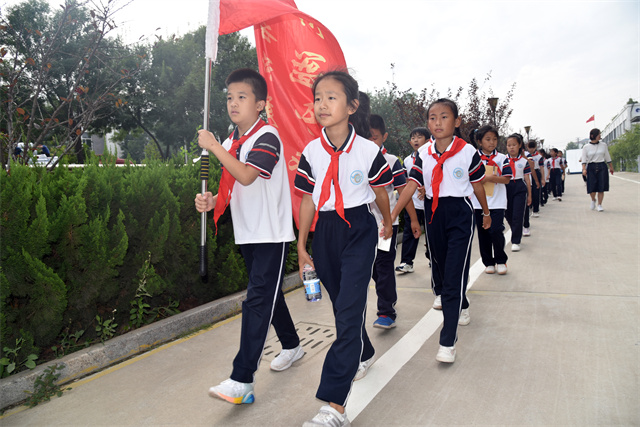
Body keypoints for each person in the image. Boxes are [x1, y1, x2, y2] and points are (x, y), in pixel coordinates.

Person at [195, 68, 302, 405]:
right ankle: (292, 345)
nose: (233, 103)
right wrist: (210, 201)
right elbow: (230, 187)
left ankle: (242, 379)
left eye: (242, 97)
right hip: (248, 233)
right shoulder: (232, 141)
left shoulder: (266, 136)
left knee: (257, 299)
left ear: (260, 104)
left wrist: (213, 146)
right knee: (270, 294)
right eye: (229, 97)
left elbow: (245, 176)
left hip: (271, 233)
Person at [295, 70, 396, 427]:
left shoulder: (369, 150)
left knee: (349, 311)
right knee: (341, 304)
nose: (322, 104)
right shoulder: (310, 151)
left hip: (359, 229)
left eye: (331, 97)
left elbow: (381, 192)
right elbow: (307, 198)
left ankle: (334, 406)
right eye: (318, 97)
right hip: (324, 229)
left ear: (352, 106)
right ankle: (364, 351)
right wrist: (302, 243)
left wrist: (386, 222)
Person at [391, 98, 490, 364]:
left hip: (459, 213)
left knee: (456, 271)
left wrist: (486, 212)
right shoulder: (423, 154)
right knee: (442, 269)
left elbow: (478, 185)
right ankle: (462, 304)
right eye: (432, 118)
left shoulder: (468, 152)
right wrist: (391, 215)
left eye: (444, 117)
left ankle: (448, 340)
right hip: (433, 212)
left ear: (456, 122)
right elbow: (411, 185)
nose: (437, 122)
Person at [368, 114, 418, 329]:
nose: (371, 142)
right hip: (363, 225)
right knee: (373, 269)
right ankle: (388, 294)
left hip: (386, 223)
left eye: (375, 138)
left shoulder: (392, 162)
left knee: (384, 265)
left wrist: (414, 220)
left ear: (384, 137)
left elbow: (403, 191)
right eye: (366, 137)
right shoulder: (356, 160)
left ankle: (386, 312)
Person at [469, 126, 510, 275]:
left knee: (496, 230)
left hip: (497, 202)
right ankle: (488, 262)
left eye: (494, 139)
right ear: (479, 142)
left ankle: (500, 260)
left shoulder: (502, 158)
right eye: (488, 139)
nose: (492, 142)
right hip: (478, 202)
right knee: (483, 233)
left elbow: (507, 179)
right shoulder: (473, 158)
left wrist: (491, 178)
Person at [396, 127, 431, 274]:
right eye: (413, 138)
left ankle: (432, 258)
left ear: (428, 140)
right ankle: (406, 262)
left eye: (419, 137)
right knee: (410, 233)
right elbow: (404, 181)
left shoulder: (431, 156)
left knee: (432, 234)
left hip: (430, 203)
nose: (416, 140)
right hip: (414, 204)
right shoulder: (408, 160)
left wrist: (425, 188)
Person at [504, 133, 532, 252]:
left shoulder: (524, 161)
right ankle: (516, 228)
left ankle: (516, 241)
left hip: (519, 187)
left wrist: (530, 195)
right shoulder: (503, 159)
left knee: (518, 215)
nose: (511, 147)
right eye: (509, 145)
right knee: (508, 213)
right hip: (505, 186)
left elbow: (527, 179)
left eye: (514, 145)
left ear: (519, 145)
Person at [581, 128, 614, 211]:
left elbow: (607, 156)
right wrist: (584, 169)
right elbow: (584, 159)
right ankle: (593, 200)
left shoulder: (603, 145)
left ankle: (599, 204)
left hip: (602, 166)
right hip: (591, 167)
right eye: (599, 134)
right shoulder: (586, 147)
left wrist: (611, 166)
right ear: (593, 135)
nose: (600, 136)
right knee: (591, 187)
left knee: (601, 187)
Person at [522, 143, 542, 237]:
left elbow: (532, 168)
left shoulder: (527, 155)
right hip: (512, 183)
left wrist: (537, 181)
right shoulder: (506, 157)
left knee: (527, 202)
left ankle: (526, 225)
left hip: (526, 180)